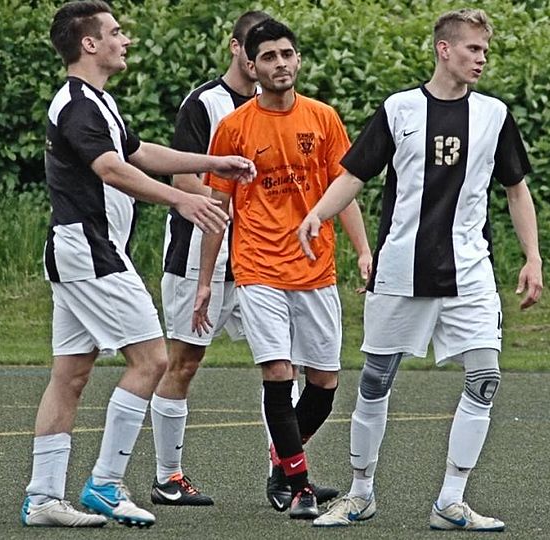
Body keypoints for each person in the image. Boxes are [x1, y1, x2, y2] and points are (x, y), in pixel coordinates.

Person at [302, 8, 542, 532]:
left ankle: (450, 501)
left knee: (485, 379)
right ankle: (361, 493)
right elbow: (354, 175)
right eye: (473, 49)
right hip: (400, 269)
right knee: (375, 380)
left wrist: (533, 257)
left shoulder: (494, 115)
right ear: (444, 49)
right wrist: (318, 214)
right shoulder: (399, 109)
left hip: (469, 272)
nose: (481, 58)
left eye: (485, 50)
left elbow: (516, 189)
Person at [21, 0, 255, 529]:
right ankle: (105, 483)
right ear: (89, 44)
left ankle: (42, 499)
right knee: (151, 360)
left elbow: (139, 153)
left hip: (81, 253)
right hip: (92, 253)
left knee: (70, 376)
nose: (125, 40)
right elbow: (111, 169)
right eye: (115, 32)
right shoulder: (78, 105)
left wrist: (213, 162)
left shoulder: (96, 101)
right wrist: (182, 199)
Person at [192, 18, 372, 520]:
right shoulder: (234, 127)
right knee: (278, 371)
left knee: (325, 384)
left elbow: (344, 190)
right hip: (257, 266)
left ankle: (282, 463)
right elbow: (217, 210)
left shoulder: (324, 118)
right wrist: (206, 282)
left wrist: (363, 250)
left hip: (314, 268)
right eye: (268, 57)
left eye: (287, 54)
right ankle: (300, 485)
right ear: (251, 65)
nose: (280, 64)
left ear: (298, 59)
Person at [149, 9, 274, 508]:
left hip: (260, 258)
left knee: (280, 363)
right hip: (198, 254)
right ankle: (168, 477)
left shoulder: (279, 106)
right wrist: (240, 203)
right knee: (184, 362)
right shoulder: (204, 103)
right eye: (254, 48)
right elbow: (183, 181)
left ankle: (286, 474)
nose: (264, 60)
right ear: (236, 48)